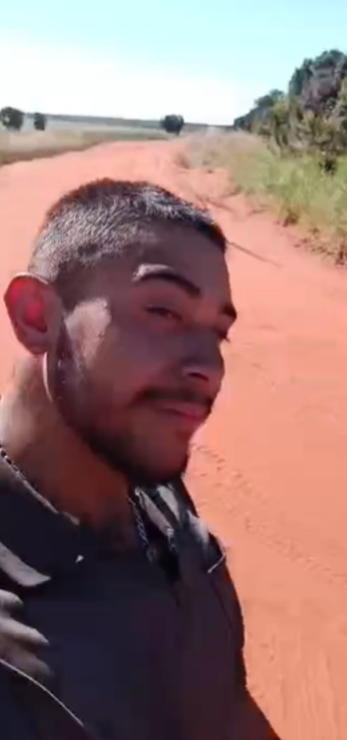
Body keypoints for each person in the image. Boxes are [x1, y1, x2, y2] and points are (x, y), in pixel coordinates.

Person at [0, 179, 279, 739]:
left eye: (218, 333)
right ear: (37, 318)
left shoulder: (156, 498)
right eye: (162, 311)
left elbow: (226, 712)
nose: (209, 367)